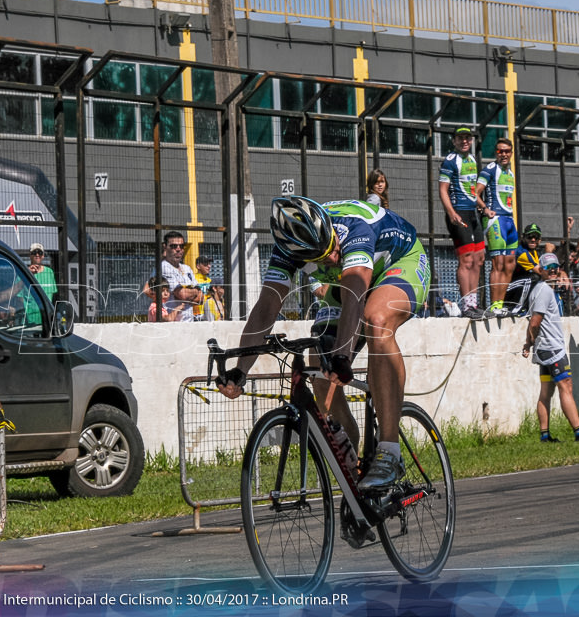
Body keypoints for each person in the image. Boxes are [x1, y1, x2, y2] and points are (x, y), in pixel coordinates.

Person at [218, 196, 431, 492]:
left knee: (376, 320)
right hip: (347, 281)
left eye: (330, 247)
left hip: (399, 263)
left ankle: (389, 451)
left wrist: (343, 355)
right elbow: (267, 306)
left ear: (330, 230)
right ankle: (355, 479)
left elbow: (355, 297)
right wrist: (241, 369)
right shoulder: (287, 247)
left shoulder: (354, 229)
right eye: (318, 257)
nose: (331, 257)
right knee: (319, 366)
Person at [521, 252, 579, 443]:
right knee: (565, 386)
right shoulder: (544, 290)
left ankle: (544, 435)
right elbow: (535, 322)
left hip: (544, 348)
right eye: (548, 268)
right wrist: (531, 342)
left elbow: (532, 323)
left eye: (555, 267)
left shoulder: (540, 289)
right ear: (540, 270)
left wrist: (529, 343)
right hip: (551, 348)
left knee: (546, 392)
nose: (553, 271)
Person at [438, 126, 485, 319]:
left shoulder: (472, 160)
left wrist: (483, 206)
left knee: (479, 258)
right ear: (454, 140)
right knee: (466, 260)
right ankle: (466, 306)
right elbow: (442, 190)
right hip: (458, 214)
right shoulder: (450, 160)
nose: (465, 141)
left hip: (473, 214)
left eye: (468, 138)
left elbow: (473, 190)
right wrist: (451, 213)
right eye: (461, 138)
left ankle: (473, 304)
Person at [474, 138, 518, 317]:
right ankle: (494, 306)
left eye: (507, 151)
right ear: (496, 153)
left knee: (510, 265)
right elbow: (475, 192)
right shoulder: (490, 169)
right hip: (496, 220)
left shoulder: (511, 173)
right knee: (498, 264)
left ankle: (501, 304)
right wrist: (485, 209)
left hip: (509, 220)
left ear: (511, 152)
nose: (504, 154)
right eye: (501, 151)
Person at [158, 231, 202, 323]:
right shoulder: (164, 267)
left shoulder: (187, 269)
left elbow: (200, 298)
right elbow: (182, 294)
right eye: (174, 246)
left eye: (181, 246)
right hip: (173, 324)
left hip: (190, 322)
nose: (178, 249)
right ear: (165, 247)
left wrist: (185, 295)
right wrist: (193, 292)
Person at [504, 222, 544, 315]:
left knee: (539, 280)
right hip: (509, 288)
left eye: (536, 237)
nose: (533, 239)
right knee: (534, 278)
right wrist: (549, 252)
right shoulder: (522, 253)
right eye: (530, 236)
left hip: (518, 285)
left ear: (540, 240)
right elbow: (540, 271)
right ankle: (516, 307)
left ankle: (529, 307)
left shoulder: (534, 252)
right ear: (523, 237)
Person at [193, 254, 225, 321]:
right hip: (197, 316)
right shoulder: (193, 280)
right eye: (205, 264)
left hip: (212, 314)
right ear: (198, 266)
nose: (209, 266)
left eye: (209, 264)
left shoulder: (210, 281)